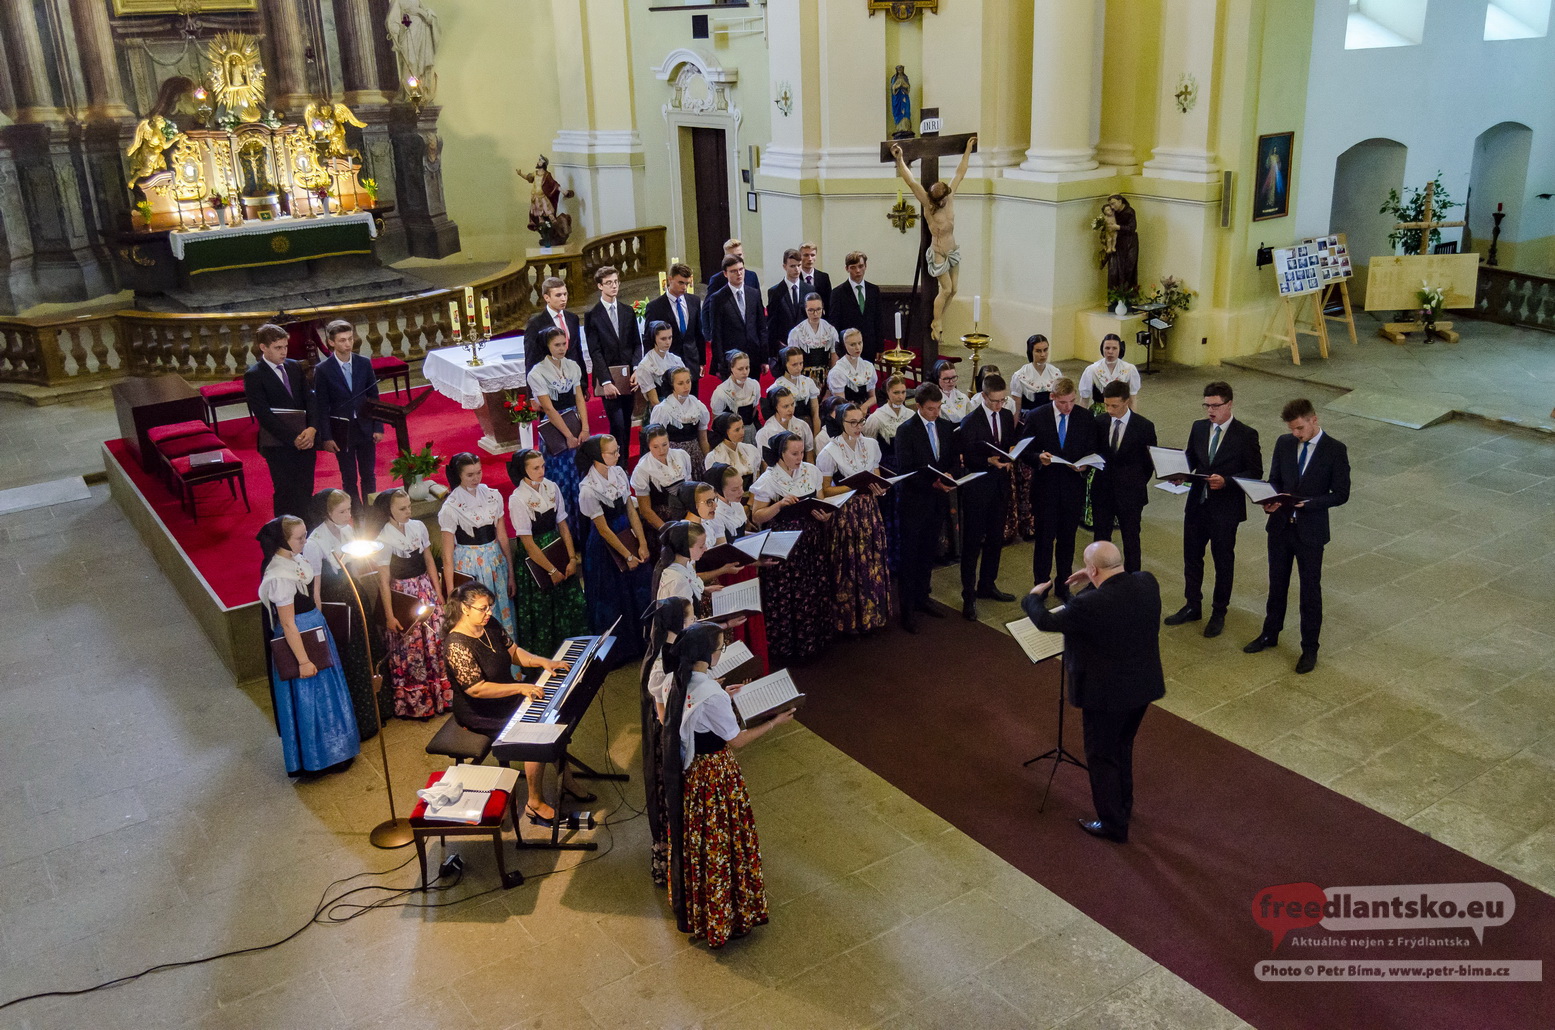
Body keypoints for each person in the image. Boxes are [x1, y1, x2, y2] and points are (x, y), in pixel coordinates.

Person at [1023, 541, 1165, 844]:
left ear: (1092, 569)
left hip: (1106, 696)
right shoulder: (1147, 583)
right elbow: (1110, 601)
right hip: (1142, 686)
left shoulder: (1089, 606)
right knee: (1122, 747)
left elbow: (1046, 620)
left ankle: (1113, 824)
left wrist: (1033, 598)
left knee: (1101, 756)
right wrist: (1094, 580)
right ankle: (1123, 807)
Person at [662, 622, 789, 947]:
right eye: (720, 647)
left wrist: (721, 690)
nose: (722, 651)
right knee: (725, 840)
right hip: (716, 775)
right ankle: (727, 913)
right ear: (708, 655)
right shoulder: (714, 696)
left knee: (700, 840)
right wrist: (775, 722)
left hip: (693, 774)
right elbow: (738, 739)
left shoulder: (674, 679)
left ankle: (699, 909)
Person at [441, 582, 574, 825]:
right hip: (480, 711)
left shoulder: (488, 624)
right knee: (534, 731)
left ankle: (567, 779)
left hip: (506, 696)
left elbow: (513, 652)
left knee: (550, 715)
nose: (489, 612)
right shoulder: (456, 645)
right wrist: (521, 687)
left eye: (490, 606)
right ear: (464, 608)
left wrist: (542, 661)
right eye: (483, 608)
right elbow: (477, 689)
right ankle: (534, 803)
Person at [1244, 399, 1350, 674]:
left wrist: (1310, 504)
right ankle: (1270, 633)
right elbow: (1275, 479)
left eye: (1300, 428)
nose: (1297, 435)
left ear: (1314, 419)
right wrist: (1269, 499)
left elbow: (1341, 494)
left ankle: (1309, 648)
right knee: (1276, 584)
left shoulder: (1335, 450)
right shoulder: (1284, 443)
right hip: (1280, 528)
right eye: (1293, 429)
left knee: (1310, 591)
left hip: (1310, 532)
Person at [257, 516, 359, 775]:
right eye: (299, 538)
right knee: (310, 700)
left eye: (305, 535)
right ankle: (317, 759)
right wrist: (303, 660)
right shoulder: (279, 575)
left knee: (328, 696)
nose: (305, 541)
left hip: (315, 630)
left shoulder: (296, 560)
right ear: (283, 540)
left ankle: (339, 751)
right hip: (301, 640)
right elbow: (288, 624)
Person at [1164, 381, 1263, 639]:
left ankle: (1219, 612)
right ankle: (1192, 605)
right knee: (1192, 558)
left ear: (1229, 404)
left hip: (1225, 510)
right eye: (1206, 405)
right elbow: (1191, 459)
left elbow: (1255, 472)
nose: (1210, 411)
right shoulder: (1198, 428)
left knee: (1223, 561)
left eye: (1215, 406)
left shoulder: (1246, 434)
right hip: (1197, 505)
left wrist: (1227, 481)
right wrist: (1179, 475)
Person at [304, 489, 383, 741]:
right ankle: (360, 720)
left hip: (353, 594)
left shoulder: (347, 531)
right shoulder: (314, 543)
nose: (349, 516)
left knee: (367, 650)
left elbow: (354, 567)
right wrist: (320, 619)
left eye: (349, 510)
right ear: (327, 513)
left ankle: (378, 711)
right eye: (342, 511)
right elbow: (315, 588)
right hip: (335, 602)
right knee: (350, 657)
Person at [751, 431, 836, 660]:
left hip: (811, 541)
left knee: (812, 589)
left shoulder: (811, 472)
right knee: (789, 594)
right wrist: (778, 505)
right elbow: (757, 516)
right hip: (784, 547)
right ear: (781, 453)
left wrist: (824, 515)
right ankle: (789, 647)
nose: (800, 457)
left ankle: (815, 640)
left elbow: (820, 501)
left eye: (801, 452)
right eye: (794, 453)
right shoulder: (768, 480)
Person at [372, 488, 452, 719]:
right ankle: (418, 702)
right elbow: (383, 580)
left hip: (425, 588)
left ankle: (441, 694)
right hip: (403, 593)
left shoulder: (418, 527)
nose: (408, 511)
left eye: (409, 506)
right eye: (402, 508)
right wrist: (389, 615)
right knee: (412, 647)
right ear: (389, 510)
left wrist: (439, 594)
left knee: (435, 640)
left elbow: (428, 560)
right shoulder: (383, 539)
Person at [1020, 377, 1100, 601]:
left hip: (1072, 489)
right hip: (1046, 489)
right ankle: (1041, 585)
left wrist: (1085, 465)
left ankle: (1064, 585)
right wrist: (1039, 458)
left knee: (1068, 540)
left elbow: (1092, 448)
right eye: (1063, 403)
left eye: (1072, 401)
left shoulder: (1084, 417)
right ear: (1052, 397)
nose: (1068, 407)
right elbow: (1024, 451)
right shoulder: (1037, 416)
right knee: (1044, 540)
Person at [816, 402, 892, 635]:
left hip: (869, 511)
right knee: (849, 564)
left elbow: (876, 476)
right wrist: (853, 488)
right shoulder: (829, 452)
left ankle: (873, 614)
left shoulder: (871, 445)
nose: (859, 426)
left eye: (861, 421)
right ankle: (849, 620)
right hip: (846, 514)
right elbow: (825, 490)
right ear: (841, 423)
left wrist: (879, 489)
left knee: (871, 560)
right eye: (853, 422)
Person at [892, 135, 976, 340]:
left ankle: (940, 317)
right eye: (943, 198)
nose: (946, 199)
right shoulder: (928, 204)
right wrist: (900, 159)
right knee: (945, 289)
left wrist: (967, 150)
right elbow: (911, 181)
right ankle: (936, 322)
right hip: (938, 251)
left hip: (952, 250)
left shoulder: (950, 196)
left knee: (954, 289)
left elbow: (960, 173)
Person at [576, 436, 653, 660]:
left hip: (626, 532)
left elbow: (631, 509)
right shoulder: (588, 489)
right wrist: (627, 554)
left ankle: (644, 642)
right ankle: (621, 651)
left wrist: (642, 542)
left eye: (617, 450)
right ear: (598, 457)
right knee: (613, 596)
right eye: (612, 452)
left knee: (639, 590)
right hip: (606, 546)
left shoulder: (618, 473)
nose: (618, 455)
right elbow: (603, 529)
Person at [507, 448, 587, 657]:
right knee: (543, 611)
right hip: (537, 559)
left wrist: (571, 558)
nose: (542, 470)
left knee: (570, 604)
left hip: (557, 547)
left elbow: (563, 525)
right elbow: (527, 542)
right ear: (523, 470)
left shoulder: (551, 487)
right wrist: (551, 570)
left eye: (542, 465)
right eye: (535, 468)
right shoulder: (518, 498)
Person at [893, 383, 958, 632]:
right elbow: (905, 470)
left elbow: (950, 457)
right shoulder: (906, 431)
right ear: (918, 406)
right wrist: (934, 482)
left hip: (937, 502)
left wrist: (951, 473)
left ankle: (923, 598)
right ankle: (907, 609)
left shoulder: (944, 426)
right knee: (910, 557)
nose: (936, 413)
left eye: (939, 407)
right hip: (914, 501)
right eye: (931, 409)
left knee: (929, 552)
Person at [641, 596, 695, 885]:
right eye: (691, 617)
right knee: (670, 800)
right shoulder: (664, 660)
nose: (695, 620)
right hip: (669, 742)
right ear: (678, 623)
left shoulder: (675, 648)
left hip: (674, 732)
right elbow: (664, 715)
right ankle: (673, 866)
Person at [956, 373, 1017, 620]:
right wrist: (987, 460)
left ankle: (987, 584)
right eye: (994, 400)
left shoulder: (1004, 415)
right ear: (983, 396)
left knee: (995, 539)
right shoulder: (971, 421)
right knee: (972, 544)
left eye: (1003, 400)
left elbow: (1009, 442)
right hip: (978, 488)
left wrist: (1011, 453)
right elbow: (966, 457)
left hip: (999, 487)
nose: (999, 405)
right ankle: (968, 595)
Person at [438, 452, 517, 639]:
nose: (476, 478)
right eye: (470, 475)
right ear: (459, 475)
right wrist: (451, 593)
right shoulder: (451, 507)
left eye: (478, 473)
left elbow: (503, 536)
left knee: (501, 610)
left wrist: (511, 572)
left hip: (495, 560)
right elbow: (447, 554)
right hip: (469, 564)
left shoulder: (492, 495)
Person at [245, 323, 316, 519]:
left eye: (285, 346)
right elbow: (263, 415)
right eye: (278, 348)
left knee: (305, 489)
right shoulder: (254, 375)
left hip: (306, 441)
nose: (284, 352)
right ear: (263, 348)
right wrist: (293, 438)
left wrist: (312, 428)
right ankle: (285, 536)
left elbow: (310, 399)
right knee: (286, 491)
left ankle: (306, 534)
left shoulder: (294, 367)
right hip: (279, 446)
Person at [310, 319, 382, 510]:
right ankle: (356, 513)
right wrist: (326, 437)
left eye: (350, 339)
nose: (348, 344)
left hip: (365, 427)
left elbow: (374, 397)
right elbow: (322, 406)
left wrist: (378, 426)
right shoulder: (323, 370)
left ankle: (371, 511)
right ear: (331, 343)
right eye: (342, 340)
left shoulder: (364, 363)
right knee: (349, 476)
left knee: (369, 474)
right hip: (342, 432)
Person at [1090, 381, 1158, 574]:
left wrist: (1132, 484)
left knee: (1131, 539)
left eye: (1114, 406)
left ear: (1126, 402)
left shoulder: (1144, 427)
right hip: (1103, 492)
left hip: (1130, 495)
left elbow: (1149, 464)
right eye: (1106, 405)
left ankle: (1132, 581)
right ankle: (1100, 579)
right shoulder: (1099, 423)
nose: (1109, 410)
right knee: (1101, 539)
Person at [525, 325, 589, 519]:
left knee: (581, 473)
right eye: (557, 345)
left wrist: (585, 428)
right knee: (561, 476)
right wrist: (568, 435)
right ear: (547, 346)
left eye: (564, 344)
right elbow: (549, 408)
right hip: (555, 426)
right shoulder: (537, 373)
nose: (561, 348)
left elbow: (579, 398)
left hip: (574, 419)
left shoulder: (572, 366)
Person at [585, 265, 642, 459]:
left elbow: (637, 343)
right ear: (600, 286)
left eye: (616, 282)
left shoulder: (627, 311)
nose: (614, 286)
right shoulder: (593, 315)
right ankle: (616, 463)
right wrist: (606, 382)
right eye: (609, 283)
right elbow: (595, 351)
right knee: (616, 424)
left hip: (628, 377)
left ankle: (623, 464)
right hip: (608, 379)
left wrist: (636, 369)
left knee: (626, 422)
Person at [1008, 334, 1061, 540]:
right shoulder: (1020, 375)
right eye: (1038, 350)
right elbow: (1016, 408)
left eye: (1045, 350)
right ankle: (1028, 522)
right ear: (1030, 351)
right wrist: (1013, 437)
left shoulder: (1055, 372)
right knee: (1029, 474)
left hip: (1050, 425)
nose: (1042, 354)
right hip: (1030, 425)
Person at [644, 262, 705, 399]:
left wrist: (701, 361)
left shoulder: (694, 301)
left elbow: (698, 333)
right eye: (681, 283)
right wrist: (650, 367)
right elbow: (648, 339)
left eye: (687, 283)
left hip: (691, 362)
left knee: (692, 403)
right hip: (667, 365)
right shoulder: (655, 307)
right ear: (670, 280)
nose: (684, 287)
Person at [706, 254, 768, 375]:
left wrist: (764, 358)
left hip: (753, 357)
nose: (739, 274)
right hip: (732, 358)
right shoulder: (718, 298)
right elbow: (716, 332)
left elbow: (761, 327)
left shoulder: (754, 294)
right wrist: (721, 363)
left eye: (741, 269)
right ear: (725, 274)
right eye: (733, 271)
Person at [632, 424, 693, 537]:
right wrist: (669, 531)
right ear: (648, 446)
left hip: (687, 514)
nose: (661, 450)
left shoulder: (682, 455)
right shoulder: (643, 469)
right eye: (655, 447)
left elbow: (690, 489)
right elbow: (645, 510)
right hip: (662, 521)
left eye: (665, 444)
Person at [650, 367, 712, 477]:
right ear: (672, 385)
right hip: (671, 457)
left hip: (695, 456)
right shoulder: (663, 410)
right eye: (680, 383)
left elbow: (703, 438)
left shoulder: (698, 406)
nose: (686, 386)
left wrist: (708, 462)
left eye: (688, 382)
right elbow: (655, 441)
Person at [829, 251, 884, 361]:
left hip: (869, 345)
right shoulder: (838, 292)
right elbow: (834, 323)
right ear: (847, 269)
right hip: (848, 347)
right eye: (853, 267)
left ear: (865, 266)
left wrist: (879, 347)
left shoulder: (873, 290)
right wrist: (838, 350)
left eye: (860, 266)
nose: (858, 271)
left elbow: (878, 320)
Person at [523, 276, 584, 369]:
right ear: (547, 297)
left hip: (574, 378)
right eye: (558, 295)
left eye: (565, 294)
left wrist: (583, 381)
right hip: (550, 378)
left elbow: (577, 352)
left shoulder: (573, 318)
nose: (563, 299)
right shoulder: (535, 324)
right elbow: (531, 360)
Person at [787, 293, 839, 391]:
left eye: (818, 309)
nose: (815, 314)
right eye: (811, 310)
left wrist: (831, 381)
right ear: (805, 310)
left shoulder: (830, 330)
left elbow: (834, 357)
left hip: (826, 376)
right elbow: (793, 361)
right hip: (803, 376)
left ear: (823, 308)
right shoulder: (797, 332)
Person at [766, 346, 822, 439]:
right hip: (786, 429)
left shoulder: (808, 382)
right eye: (794, 364)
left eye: (801, 363)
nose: (799, 368)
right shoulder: (776, 387)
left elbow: (815, 413)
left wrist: (815, 437)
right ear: (785, 364)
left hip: (807, 425)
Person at [1077, 334, 1140, 414]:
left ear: (1120, 349)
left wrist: (1133, 420)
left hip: (1122, 413)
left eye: (1114, 348)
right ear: (1102, 349)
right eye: (1107, 348)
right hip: (1098, 415)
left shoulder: (1130, 369)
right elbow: (1084, 400)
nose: (1110, 351)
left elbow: (1132, 399)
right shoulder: (1092, 370)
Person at [634, 320, 688, 410]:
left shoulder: (676, 360)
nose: (667, 342)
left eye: (670, 338)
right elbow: (654, 401)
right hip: (659, 411)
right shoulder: (645, 365)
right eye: (663, 339)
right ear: (654, 339)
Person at [754, 386, 815, 462]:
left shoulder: (803, 426)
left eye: (792, 404)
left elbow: (809, 456)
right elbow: (765, 465)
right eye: (785, 406)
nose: (791, 409)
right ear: (775, 407)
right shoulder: (765, 433)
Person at [767, 249, 810, 357]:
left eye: (799, 265)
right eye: (792, 266)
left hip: (806, 345)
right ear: (784, 266)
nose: (797, 269)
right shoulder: (775, 292)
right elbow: (772, 323)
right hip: (784, 345)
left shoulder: (809, 289)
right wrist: (774, 349)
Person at [864, 374, 914, 464]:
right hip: (886, 466)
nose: (901, 397)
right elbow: (869, 449)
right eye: (896, 392)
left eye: (903, 392)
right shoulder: (876, 418)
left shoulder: (911, 415)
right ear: (887, 392)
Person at [705, 412, 761, 491]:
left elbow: (757, 477)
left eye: (742, 427)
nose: (742, 432)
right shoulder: (714, 457)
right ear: (725, 432)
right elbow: (716, 487)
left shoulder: (750, 450)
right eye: (737, 430)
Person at [708, 350, 761, 429]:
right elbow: (716, 420)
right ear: (731, 368)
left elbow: (754, 410)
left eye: (747, 368)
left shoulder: (754, 385)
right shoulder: (721, 392)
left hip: (750, 429)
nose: (745, 372)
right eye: (740, 369)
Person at [827, 328, 877, 407]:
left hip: (864, 412)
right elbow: (841, 404)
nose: (858, 348)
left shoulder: (868, 367)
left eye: (860, 343)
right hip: (845, 415)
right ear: (844, 346)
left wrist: (864, 407)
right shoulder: (838, 372)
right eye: (852, 344)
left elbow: (873, 397)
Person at [798, 242, 832, 312]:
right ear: (800, 256)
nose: (810, 258)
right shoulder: (796, 277)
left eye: (812, 255)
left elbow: (828, 303)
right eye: (806, 255)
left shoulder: (823, 277)